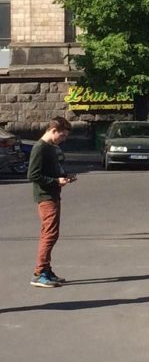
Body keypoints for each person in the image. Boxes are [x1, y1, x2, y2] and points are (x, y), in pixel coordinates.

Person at [28, 116, 74, 288]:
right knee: (49, 235)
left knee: (50, 233)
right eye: (62, 136)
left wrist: (63, 176)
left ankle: (46, 270)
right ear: (53, 130)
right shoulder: (40, 148)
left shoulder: (50, 147)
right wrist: (55, 182)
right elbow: (33, 175)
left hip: (52, 194)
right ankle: (39, 273)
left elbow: (51, 170)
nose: (63, 139)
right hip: (46, 197)